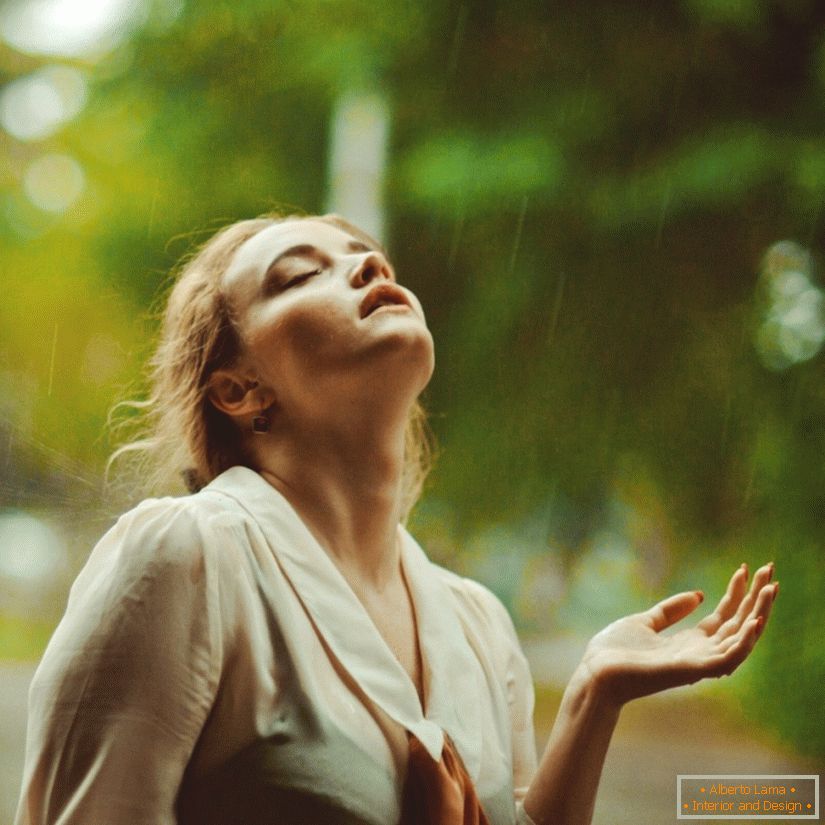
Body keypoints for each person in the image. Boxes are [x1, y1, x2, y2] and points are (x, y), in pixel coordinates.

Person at [14, 213, 778, 825]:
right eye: (301, 274)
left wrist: (591, 696)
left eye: (369, 254)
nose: (371, 266)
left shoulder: (476, 624)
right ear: (238, 390)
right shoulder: (187, 556)